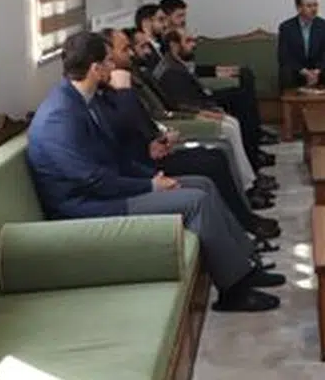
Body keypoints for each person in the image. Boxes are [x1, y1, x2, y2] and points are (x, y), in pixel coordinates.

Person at [26, 32, 282, 312]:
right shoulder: (60, 115)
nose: (113, 67)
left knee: (203, 183)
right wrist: (149, 187)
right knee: (195, 201)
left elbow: (116, 157)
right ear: (95, 68)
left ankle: (245, 265)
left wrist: (150, 178)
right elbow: (92, 179)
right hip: (87, 205)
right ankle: (234, 291)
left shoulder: (87, 101)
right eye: (109, 61)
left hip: (107, 190)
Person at [99, 29, 280, 240]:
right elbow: (130, 126)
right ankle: (245, 224)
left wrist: (160, 137)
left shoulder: (134, 75)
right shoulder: (115, 88)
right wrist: (125, 93)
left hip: (156, 144)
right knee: (212, 161)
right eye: (125, 50)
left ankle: (244, 216)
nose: (132, 53)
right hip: (144, 163)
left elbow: (154, 115)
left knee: (216, 155)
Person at [155, 30, 272, 203]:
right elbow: (180, 104)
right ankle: (247, 186)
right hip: (192, 114)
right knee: (230, 124)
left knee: (240, 101)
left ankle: (252, 174)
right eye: (188, 41)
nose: (194, 44)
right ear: (174, 45)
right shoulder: (170, 71)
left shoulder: (178, 63)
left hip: (203, 103)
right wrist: (205, 112)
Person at [277, 0, 325, 89]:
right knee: (285, 72)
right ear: (299, 8)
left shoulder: (324, 25)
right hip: (298, 72)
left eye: (315, 5)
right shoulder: (286, 27)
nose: (314, 9)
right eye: (309, 6)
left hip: (319, 71)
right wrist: (305, 72)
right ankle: (290, 99)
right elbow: (284, 56)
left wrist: (317, 71)